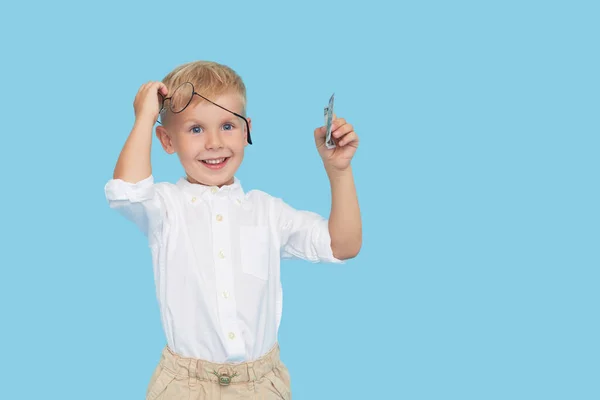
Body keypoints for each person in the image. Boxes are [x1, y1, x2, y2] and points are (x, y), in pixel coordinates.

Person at [104, 60, 362, 399]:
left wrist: (339, 172)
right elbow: (126, 191)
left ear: (246, 131)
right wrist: (144, 117)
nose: (214, 142)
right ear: (167, 139)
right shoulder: (164, 207)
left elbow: (341, 245)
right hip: (184, 386)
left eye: (227, 125)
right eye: (195, 129)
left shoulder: (269, 211)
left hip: (260, 385)